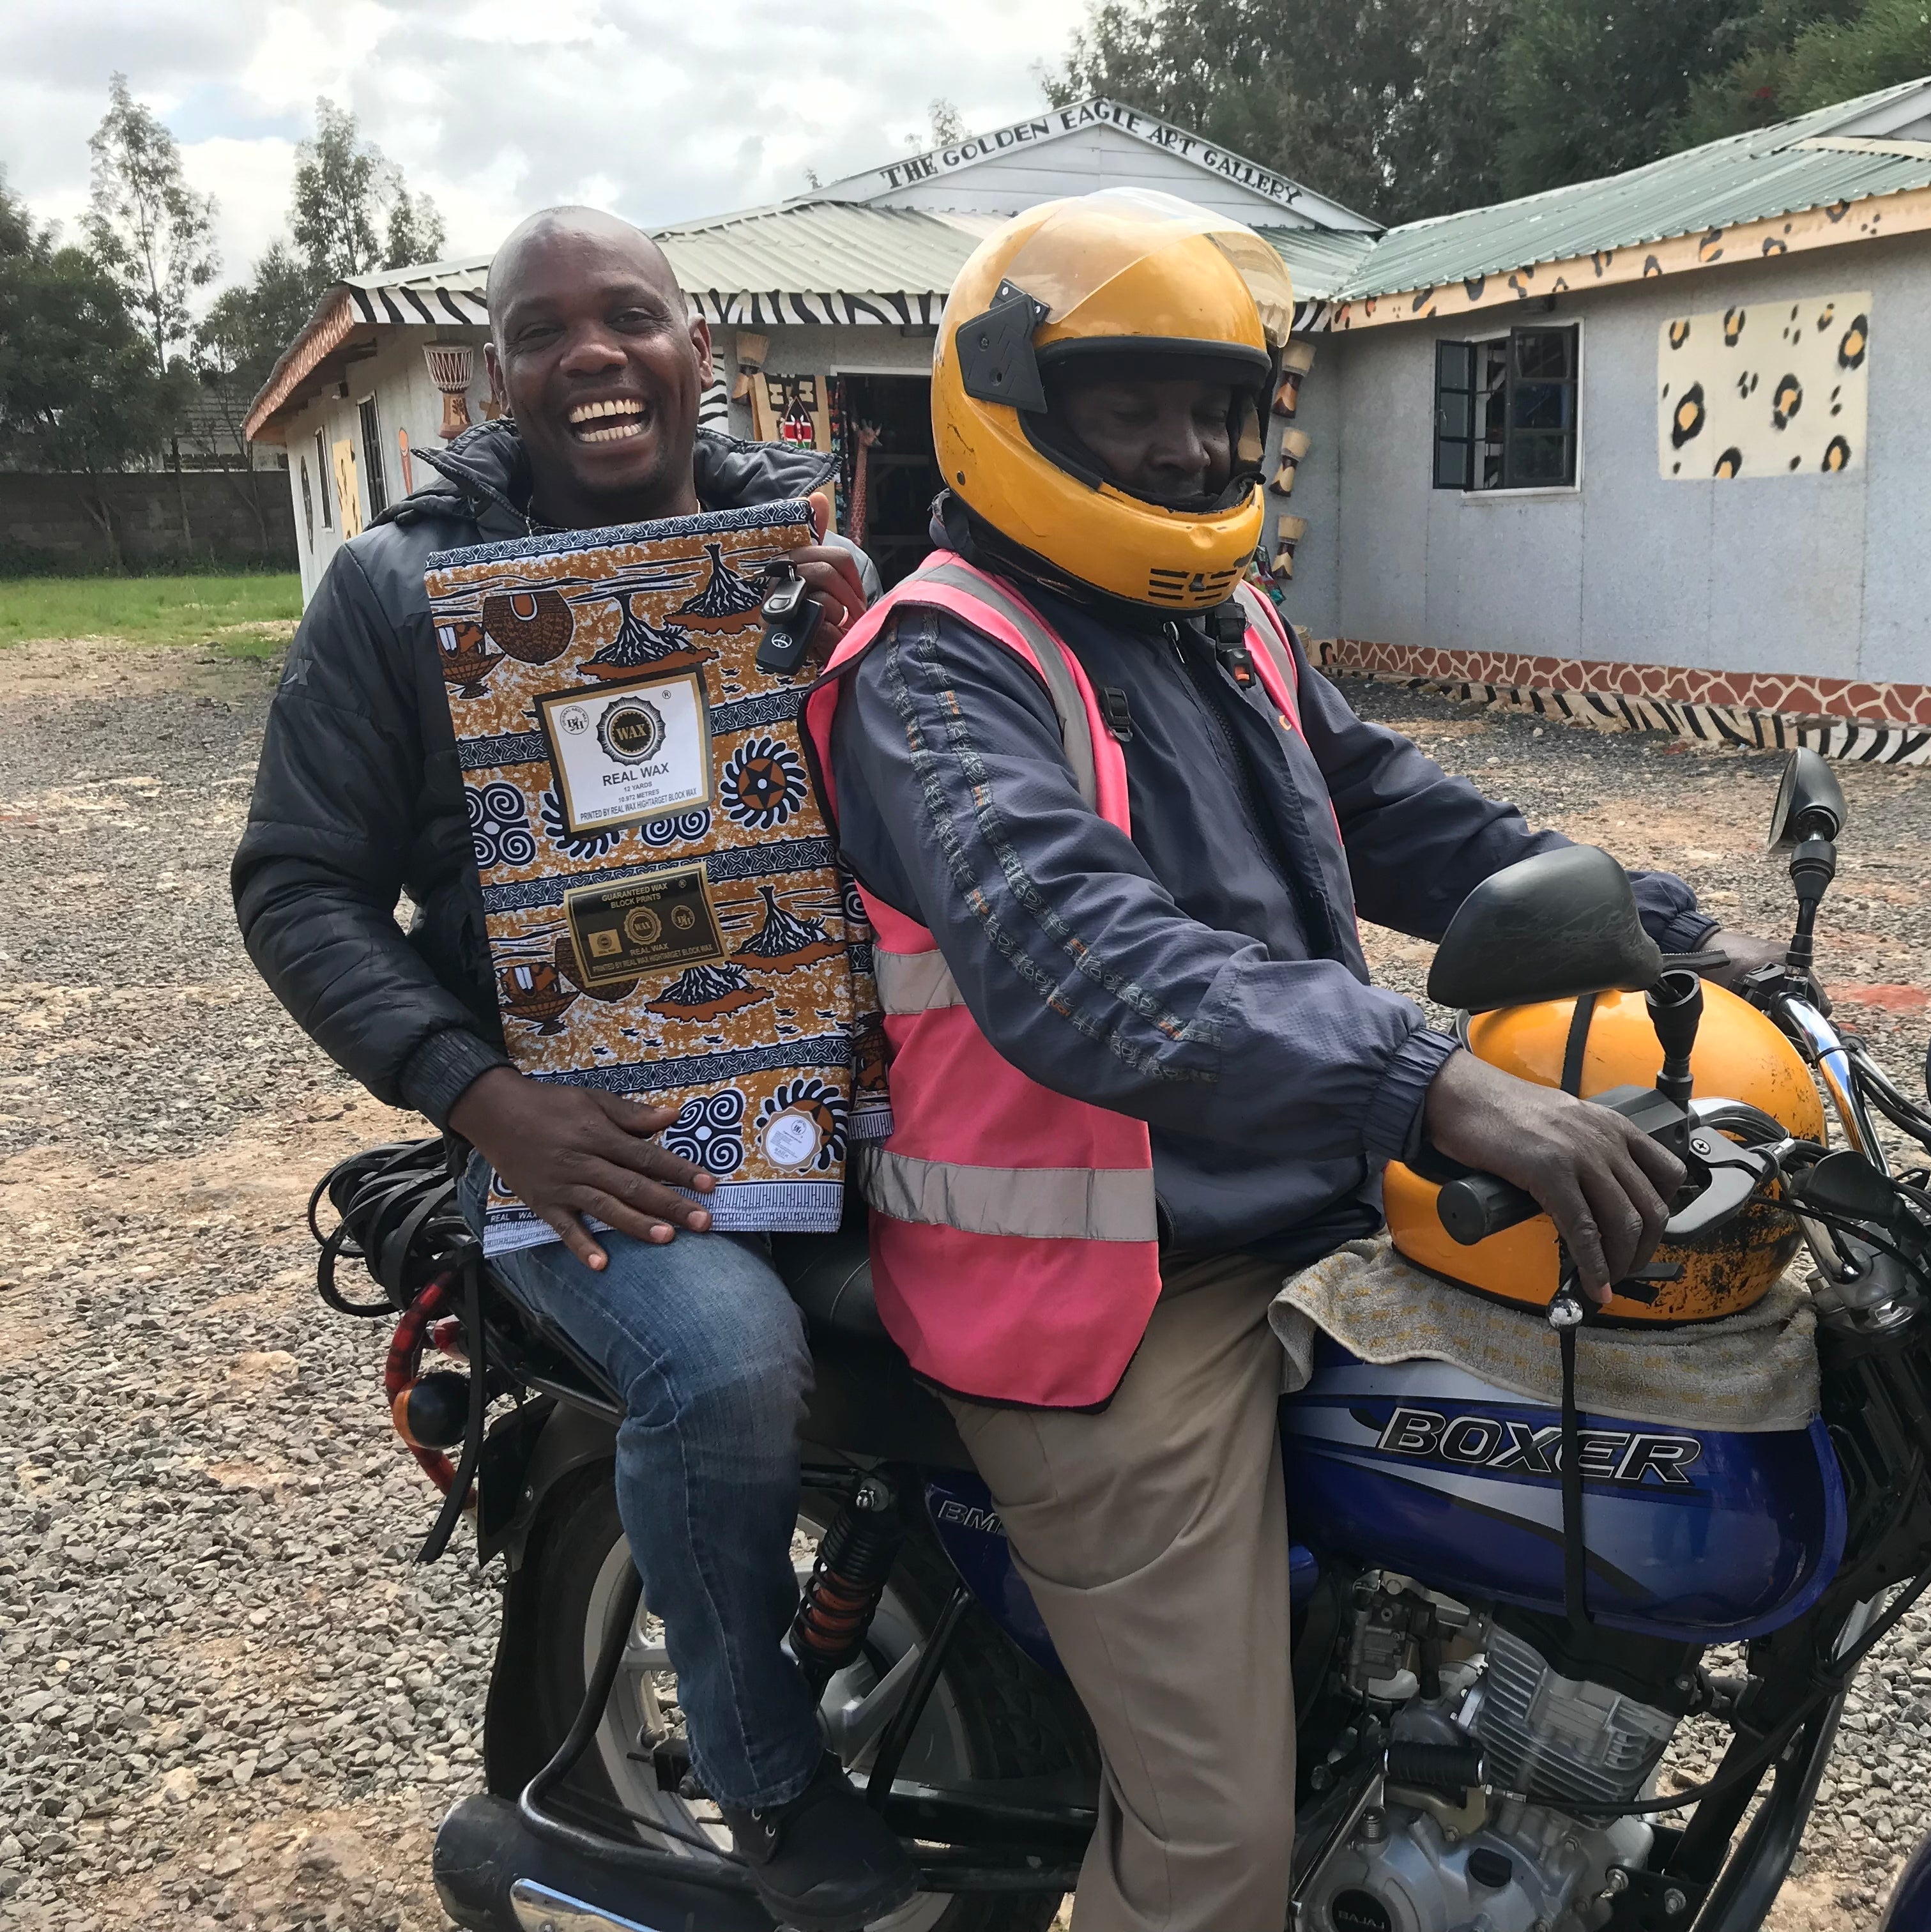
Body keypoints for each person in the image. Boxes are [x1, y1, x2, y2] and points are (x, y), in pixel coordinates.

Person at [811, 188, 1782, 1931]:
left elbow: (1394, 808)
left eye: (1216, 404)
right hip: (1097, 1291)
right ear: (1014, 401)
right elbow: (1076, 959)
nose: (1189, 444)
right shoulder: (941, 665)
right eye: (1132, 403)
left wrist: (1644, 924)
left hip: (1298, 1206)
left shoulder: (1224, 618)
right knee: (1214, 1852)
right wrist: (1431, 1072)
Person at [231, 207, 917, 1931]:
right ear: (500, 376)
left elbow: (921, 837)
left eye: (631, 318)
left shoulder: (799, 558)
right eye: (545, 333)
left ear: (701, 351)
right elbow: (297, 885)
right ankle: (762, 1781)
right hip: (568, 1137)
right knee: (730, 1360)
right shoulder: (403, 594)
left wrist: (875, 668)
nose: (593, 354)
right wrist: (487, 1102)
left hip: (826, 1107)